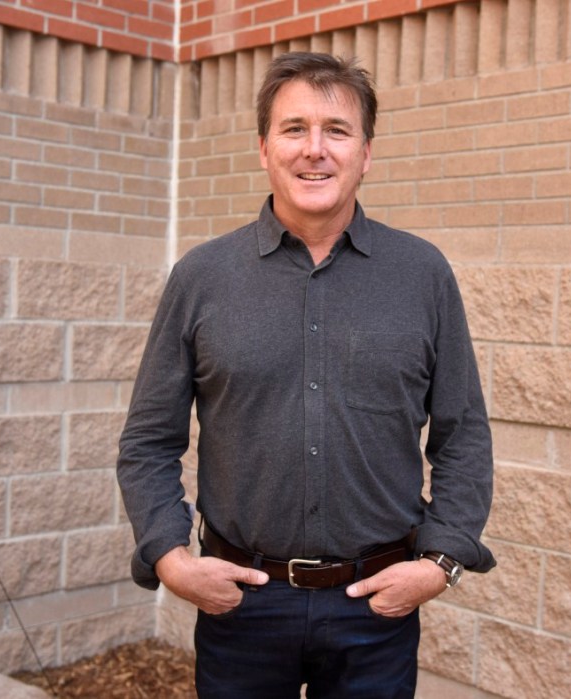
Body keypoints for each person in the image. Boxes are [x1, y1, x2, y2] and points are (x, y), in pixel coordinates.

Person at [117, 51, 495, 698]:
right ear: (265, 148)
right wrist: (171, 558)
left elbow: (462, 435)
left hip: (375, 610)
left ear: (367, 153)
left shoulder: (422, 274)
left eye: (336, 131)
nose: (314, 150)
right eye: (294, 129)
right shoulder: (203, 277)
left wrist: (439, 563)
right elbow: (149, 440)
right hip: (241, 606)